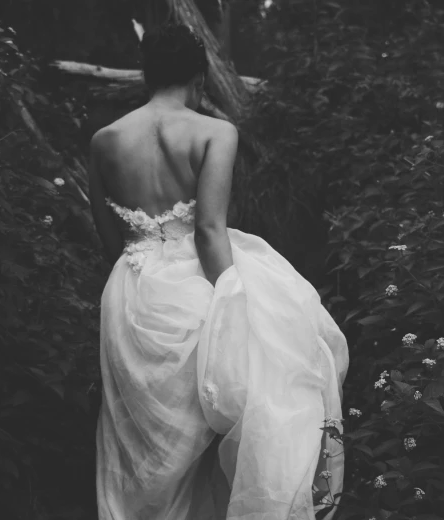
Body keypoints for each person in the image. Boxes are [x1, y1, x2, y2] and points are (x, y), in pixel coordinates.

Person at [89, 23, 349, 520]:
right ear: (200, 76)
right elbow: (209, 229)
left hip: (132, 287)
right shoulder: (215, 132)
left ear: (145, 74)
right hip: (200, 280)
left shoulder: (104, 140)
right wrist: (238, 302)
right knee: (228, 414)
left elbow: (109, 240)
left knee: (149, 440)